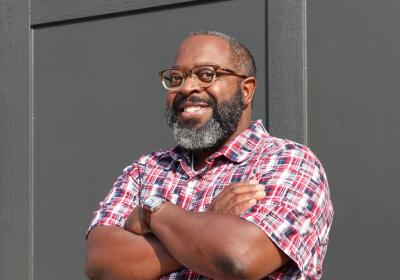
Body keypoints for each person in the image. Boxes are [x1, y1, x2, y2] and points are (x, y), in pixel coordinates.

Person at [84, 31, 334, 280]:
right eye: (176, 77)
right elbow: (101, 264)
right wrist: (209, 221)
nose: (187, 87)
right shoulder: (145, 170)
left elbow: (239, 258)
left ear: (246, 90)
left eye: (206, 74)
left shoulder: (287, 162)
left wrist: (154, 213)